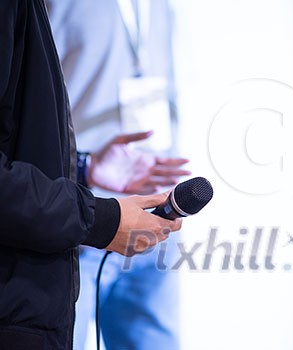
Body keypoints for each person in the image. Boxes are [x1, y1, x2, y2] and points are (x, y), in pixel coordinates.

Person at [0, 1, 182, 349]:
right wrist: (86, 198)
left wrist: (86, 164)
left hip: (152, 206)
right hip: (73, 214)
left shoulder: (161, 7)